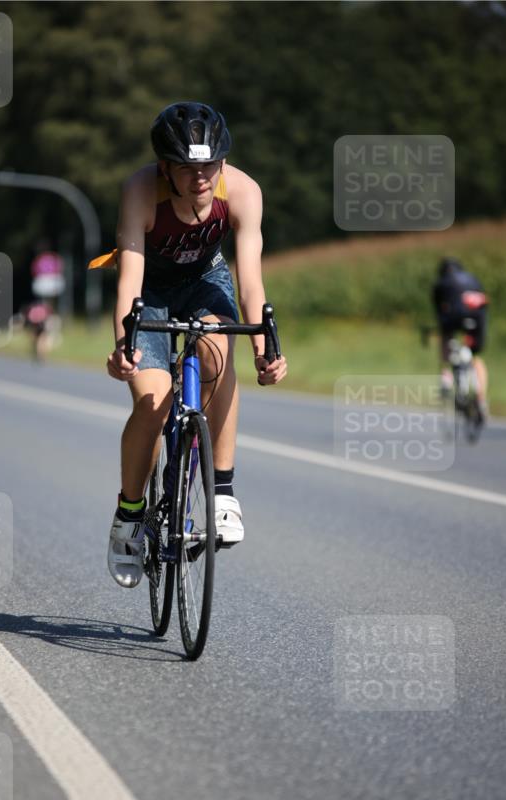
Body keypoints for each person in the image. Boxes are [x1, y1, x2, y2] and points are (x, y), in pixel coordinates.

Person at [99, 101, 288, 588]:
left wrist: (264, 351)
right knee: (153, 400)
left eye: (209, 164)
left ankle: (221, 490)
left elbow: (250, 282)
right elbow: (130, 279)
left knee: (217, 345)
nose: (200, 176)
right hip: (152, 291)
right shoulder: (142, 191)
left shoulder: (243, 192)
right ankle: (130, 515)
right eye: (186, 167)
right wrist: (126, 345)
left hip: (206, 278)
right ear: (165, 167)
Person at [433, 257, 489, 418]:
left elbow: (438, 312)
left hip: (453, 317)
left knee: (445, 335)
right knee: (476, 357)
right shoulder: (473, 279)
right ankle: (481, 398)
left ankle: (445, 375)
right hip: (478, 318)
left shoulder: (441, 282)